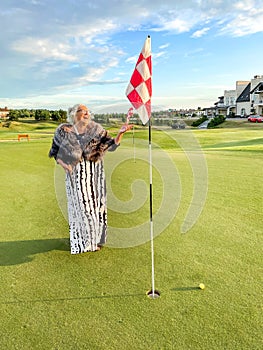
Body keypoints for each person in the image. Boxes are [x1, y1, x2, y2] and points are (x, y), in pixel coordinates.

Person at [49, 104, 132, 254]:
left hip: (96, 173)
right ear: (74, 114)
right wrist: (65, 166)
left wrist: (120, 134)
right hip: (76, 174)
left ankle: (96, 241)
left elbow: (112, 145)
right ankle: (81, 241)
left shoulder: (97, 130)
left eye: (88, 112)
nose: (87, 114)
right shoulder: (62, 131)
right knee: (81, 208)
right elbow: (55, 152)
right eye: (83, 111)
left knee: (97, 207)